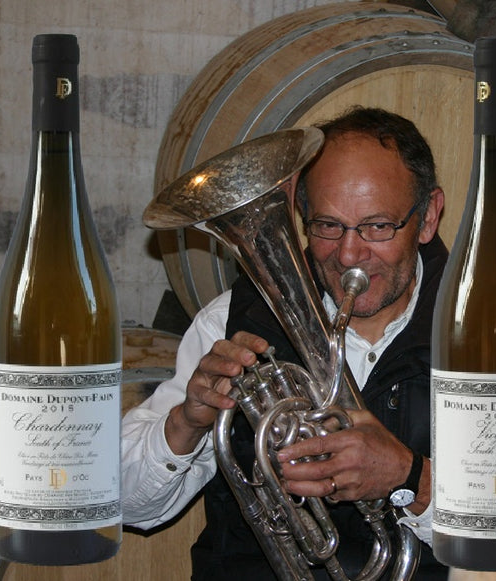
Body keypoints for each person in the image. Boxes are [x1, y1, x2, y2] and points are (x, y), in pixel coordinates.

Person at [122, 106, 448, 580]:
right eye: (327, 225)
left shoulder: (489, 332)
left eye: (378, 226)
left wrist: (411, 477)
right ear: (301, 219)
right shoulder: (231, 321)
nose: (349, 254)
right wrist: (186, 423)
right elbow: (129, 505)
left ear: (428, 217)